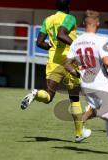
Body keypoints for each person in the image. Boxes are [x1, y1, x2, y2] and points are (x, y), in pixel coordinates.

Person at [20, 0, 91, 142]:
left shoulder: (48, 19)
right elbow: (61, 34)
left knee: (48, 96)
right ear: (68, 7)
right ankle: (78, 134)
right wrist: (76, 45)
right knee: (74, 98)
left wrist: (51, 48)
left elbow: (39, 42)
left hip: (53, 61)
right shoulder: (70, 18)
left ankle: (36, 93)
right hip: (69, 61)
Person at [64, 10, 108, 156]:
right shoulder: (101, 40)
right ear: (97, 24)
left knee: (105, 115)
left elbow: (66, 63)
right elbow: (106, 62)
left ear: (85, 23)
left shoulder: (76, 41)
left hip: (86, 84)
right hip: (101, 84)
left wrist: (77, 73)